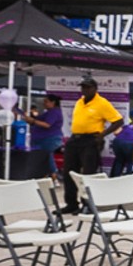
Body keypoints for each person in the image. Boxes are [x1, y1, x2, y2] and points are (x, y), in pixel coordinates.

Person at [59, 77, 123, 214]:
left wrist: (102, 135)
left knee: (88, 173)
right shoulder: (79, 102)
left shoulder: (102, 103)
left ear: (95, 89)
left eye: (88, 87)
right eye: (83, 87)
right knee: (68, 172)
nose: (85, 90)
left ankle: (87, 204)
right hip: (75, 139)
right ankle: (71, 203)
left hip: (90, 140)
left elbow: (118, 121)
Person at [23, 94, 65, 178]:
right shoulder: (49, 112)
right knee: (43, 156)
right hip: (41, 138)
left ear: (53, 102)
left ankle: (53, 174)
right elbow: (39, 119)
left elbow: (47, 125)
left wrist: (33, 121)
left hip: (49, 139)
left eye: (46, 101)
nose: (44, 103)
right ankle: (46, 174)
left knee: (47, 155)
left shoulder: (54, 112)